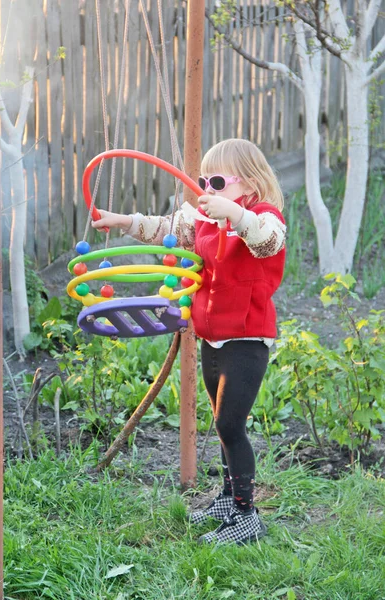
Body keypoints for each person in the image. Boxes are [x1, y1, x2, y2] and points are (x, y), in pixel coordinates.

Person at [92, 138, 286, 545]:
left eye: (218, 181)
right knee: (222, 424)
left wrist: (233, 213)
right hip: (212, 337)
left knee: (231, 423)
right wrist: (122, 220)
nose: (207, 190)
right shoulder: (202, 219)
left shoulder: (263, 217)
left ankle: (247, 517)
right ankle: (229, 501)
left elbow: (268, 241)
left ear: (249, 185)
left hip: (247, 339)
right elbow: (164, 227)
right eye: (203, 181)